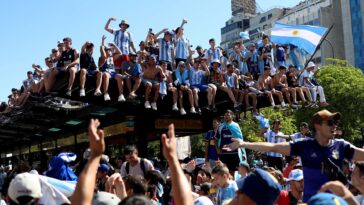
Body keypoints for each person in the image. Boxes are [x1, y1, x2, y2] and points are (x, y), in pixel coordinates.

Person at [226, 109, 364, 202]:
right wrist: (244, 144)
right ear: (317, 126)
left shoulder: (341, 146)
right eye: (330, 122)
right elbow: (274, 147)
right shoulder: (305, 146)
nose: (334, 126)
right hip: (312, 203)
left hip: (336, 203)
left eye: (335, 123)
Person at [98, 35, 126, 102]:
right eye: (108, 50)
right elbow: (102, 49)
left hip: (113, 73)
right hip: (105, 72)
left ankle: (121, 95)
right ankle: (106, 93)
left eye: (110, 50)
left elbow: (120, 53)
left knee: (120, 76)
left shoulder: (112, 57)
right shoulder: (102, 58)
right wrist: (102, 41)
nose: (109, 51)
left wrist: (114, 45)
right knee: (106, 75)